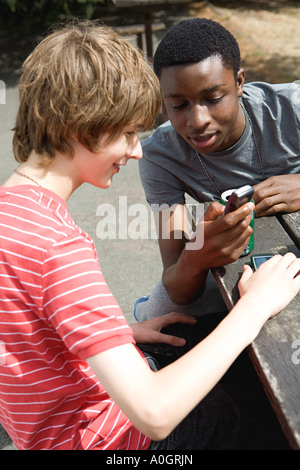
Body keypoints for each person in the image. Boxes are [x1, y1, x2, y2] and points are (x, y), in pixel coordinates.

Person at [0, 19, 300, 451]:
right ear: (80, 124)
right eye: (125, 133)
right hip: (117, 442)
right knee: (268, 403)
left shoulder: (17, 213)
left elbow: (26, 334)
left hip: (57, 425)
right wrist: (253, 307)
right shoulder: (58, 248)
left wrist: (112, 337)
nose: (138, 149)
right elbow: (155, 414)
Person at [135, 17, 300, 322]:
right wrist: (195, 258)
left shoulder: (291, 108)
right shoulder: (159, 157)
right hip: (236, 264)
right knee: (158, 311)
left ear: (239, 83)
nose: (197, 120)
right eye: (179, 105)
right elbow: (178, 284)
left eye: (212, 98)